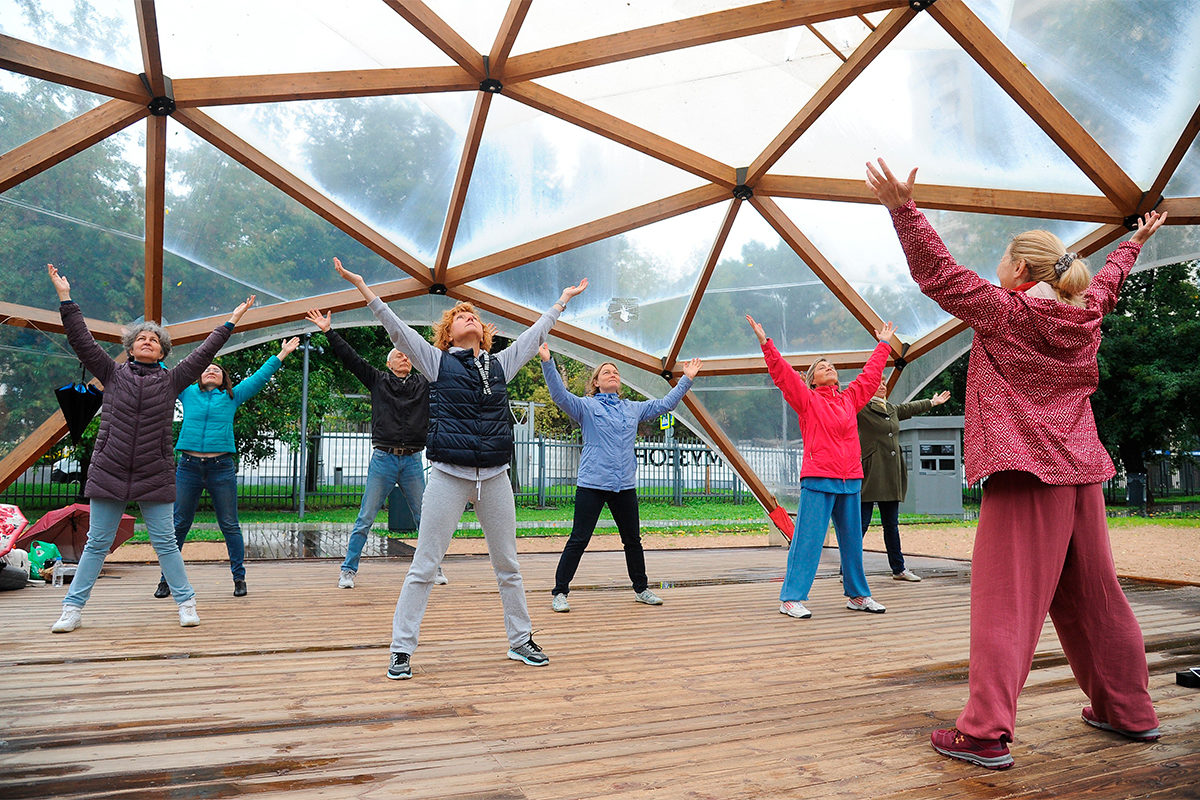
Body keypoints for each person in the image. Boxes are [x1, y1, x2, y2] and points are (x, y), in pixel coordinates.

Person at [866, 157, 1166, 770]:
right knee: (1097, 596)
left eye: (1003, 261)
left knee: (1007, 599)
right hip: (1082, 474)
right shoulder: (1086, 312)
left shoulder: (1011, 311)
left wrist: (903, 209)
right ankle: (1127, 710)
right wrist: (1133, 241)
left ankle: (983, 732)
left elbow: (939, 275)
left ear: (1021, 270)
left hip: (1026, 471)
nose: (995, 270)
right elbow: (1107, 279)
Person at [332, 256, 587, 680]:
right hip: (449, 475)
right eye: (459, 316)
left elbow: (534, 335)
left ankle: (520, 640)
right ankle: (401, 648)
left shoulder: (500, 364)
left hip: (494, 476)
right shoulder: (437, 362)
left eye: (473, 315)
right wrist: (362, 286)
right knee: (425, 565)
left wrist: (561, 301)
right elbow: (396, 328)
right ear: (448, 333)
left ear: (483, 332)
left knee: (508, 564)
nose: (468, 316)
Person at [46, 263, 253, 632]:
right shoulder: (110, 373)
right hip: (109, 469)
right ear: (130, 347)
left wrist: (231, 321)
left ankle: (186, 602)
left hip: (153, 472)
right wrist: (66, 298)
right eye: (141, 337)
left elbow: (204, 353)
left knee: (166, 542)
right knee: (96, 544)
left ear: (162, 352)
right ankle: (72, 609)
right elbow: (81, 340)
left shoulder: (173, 380)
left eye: (154, 340)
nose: (147, 340)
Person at [747, 313, 895, 619]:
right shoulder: (807, 399)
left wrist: (883, 345)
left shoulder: (850, 399)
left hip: (850, 479)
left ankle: (857, 595)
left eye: (831, 366)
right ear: (812, 379)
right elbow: (784, 376)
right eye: (821, 367)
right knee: (808, 541)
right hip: (819, 478)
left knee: (853, 542)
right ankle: (791, 598)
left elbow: (869, 377)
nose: (828, 367)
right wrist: (766, 344)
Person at [539, 343, 702, 612]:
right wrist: (548, 362)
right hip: (592, 484)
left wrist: (687, 379)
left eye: (615, 372)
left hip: (624, 485)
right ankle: (560, 592)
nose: (612, 374)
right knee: (579, 538)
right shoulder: (586, 407)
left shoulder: (632, 408)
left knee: (632, 539)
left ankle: (641, 589)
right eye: (606, 372)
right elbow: (559, 395)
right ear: (596, 382)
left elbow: (665, 404)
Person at [304, 308, 446, 589]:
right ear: (390, 363)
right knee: (365, 517)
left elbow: (442, 357)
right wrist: (328, 332)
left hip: (412, 461)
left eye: (407, 355)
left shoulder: (424, 383)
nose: (404, 357)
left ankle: (434, 568)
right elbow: (352, 360)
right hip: (384, 459)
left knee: (424, 518)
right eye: (398, 355)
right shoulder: (378, 381)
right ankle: (348, 570)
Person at [153, 337, 300, 600]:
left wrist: (282, 353)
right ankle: (166, 579)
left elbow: (260, 376)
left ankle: (239, 578)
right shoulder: (186, 392)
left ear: (224, 381)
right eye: (207, 368)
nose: (211, 370)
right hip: (188, 467)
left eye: (217, 370)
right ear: (199, 376)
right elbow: (163, 369)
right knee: (179, 524)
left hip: (221, 468)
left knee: (230, 524)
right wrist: (154, 350)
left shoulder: (232, 397)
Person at [857, 376, 950, 582]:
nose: (882, 386)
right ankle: (848, 570)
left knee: (891, 524)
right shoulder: (860, 408)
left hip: (891, 474)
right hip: (871, 473)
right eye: (877, 383)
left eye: (883, 382)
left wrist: (932, 403)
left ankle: (898, 569)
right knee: (861, 525)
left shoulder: (891, 408)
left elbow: (908, 408)